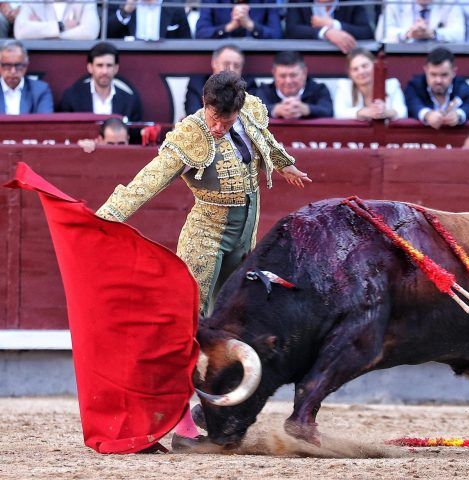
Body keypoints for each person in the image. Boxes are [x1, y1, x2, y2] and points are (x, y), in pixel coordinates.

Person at [95, 72, 311, 450]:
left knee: (236, 326)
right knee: (188, 329)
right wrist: (107, 216)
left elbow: (263, 139)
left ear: (238, 109)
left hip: (243, 241)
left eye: (225, 119)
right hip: (205, 239)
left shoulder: (250, 112)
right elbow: (150, 179)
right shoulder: (190, 134)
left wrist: (284, 163)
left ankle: (213, 413)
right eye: (213, 115)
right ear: (204, 103)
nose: (217, 126)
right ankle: (181, 423)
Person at [59, 42, 143, 122]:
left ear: (116, 68)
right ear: (90, 67)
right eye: (100, 65)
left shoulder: (129, 100)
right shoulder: (72, 97)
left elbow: (134, 131)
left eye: (109, 65)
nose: (104, 71)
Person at [404, 47, 469, 129]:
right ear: (426, 70)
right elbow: (413, 104)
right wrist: (428, 114)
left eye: (444, 75)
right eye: (433, 74)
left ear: (454, 72)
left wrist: (458, 115)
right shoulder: (415, 86)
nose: (438, 80)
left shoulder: (463, 87)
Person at [253, 51, 333, 119]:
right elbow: (253, 112)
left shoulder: (319, 90)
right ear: (274, 73)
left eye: (293, 75)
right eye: (282, 76)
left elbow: (328, 111)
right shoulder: (264, 91)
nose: (288, 81)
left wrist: (306, 109)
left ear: (304, 73)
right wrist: (275, 110)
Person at [333, 48, 407, 120]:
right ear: (350, 74)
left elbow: (402, 112)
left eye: (365, 66)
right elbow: (339, 113)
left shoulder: (391, 85)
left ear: (375, 66)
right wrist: (363, 112)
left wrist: (386, 112)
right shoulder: (344, 87)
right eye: (355, 69)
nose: (361, 72)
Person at [185, 44, 254, 117]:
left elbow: (252, 117)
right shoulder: (197, 85)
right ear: (214, 63)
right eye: (226, 65)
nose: (231, 69)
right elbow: (193, 114)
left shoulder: (249, 86)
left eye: (236, 66)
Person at [285, 0, 374, 54]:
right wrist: (326, 32)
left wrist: (334, 24)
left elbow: (366, 32)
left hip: (343, 57)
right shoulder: (298, 1)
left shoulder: (352, 2)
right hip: (306, 57)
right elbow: (291, 30)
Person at [0, 40, 53, 114]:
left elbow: (45, 120)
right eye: (7, 65)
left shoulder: (40, 90)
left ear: (26, 66)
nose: (13, 71)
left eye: (18, 65)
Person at [375, 0, 464, 43]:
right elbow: (381, 34)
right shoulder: (395, 2)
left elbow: (459, 34)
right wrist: (408, 34)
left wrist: (433, 34)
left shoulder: (449, 2)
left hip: (439, 57)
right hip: (403, 56)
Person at [14, 0, 99, 40]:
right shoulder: (32, 1)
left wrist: (40, 32)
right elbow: (21, 32)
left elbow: (90, 33)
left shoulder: (86, 1)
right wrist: (61, 26)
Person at [195, 0, 282, 39]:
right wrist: (230, 27)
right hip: (220, 52)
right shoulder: (211, 1)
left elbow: (277, 35)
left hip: (256, 53)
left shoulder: (267, 1)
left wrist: (251, 25)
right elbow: (201, 34)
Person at [108, 0, 192, 40]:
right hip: (130, 60)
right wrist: (126, 12)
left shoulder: (175, 6)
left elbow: (187, 41)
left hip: (165, 61)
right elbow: (107, 35)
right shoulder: (121, 3)